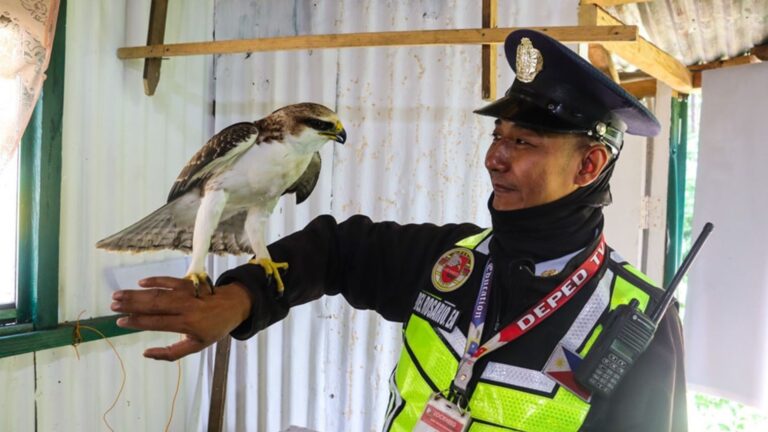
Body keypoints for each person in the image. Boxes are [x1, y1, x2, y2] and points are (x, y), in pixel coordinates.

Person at [111, 29, 687, 431]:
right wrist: (240, 297)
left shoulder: (638, 322)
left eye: (523, 143)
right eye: (496, 137)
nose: (495, 159)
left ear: (588, 166)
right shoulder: (452, 263)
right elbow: (337, 249)